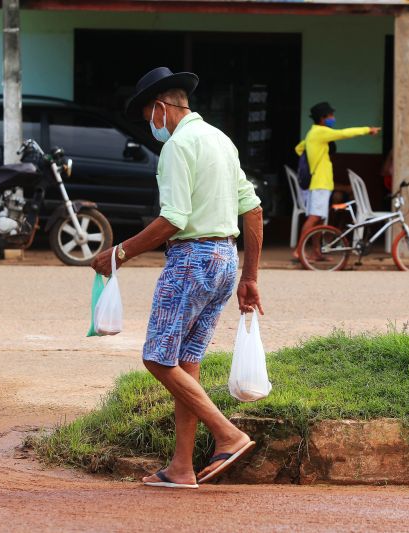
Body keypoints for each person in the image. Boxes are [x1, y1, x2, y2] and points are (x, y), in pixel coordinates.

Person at [91, 67, 264, 489]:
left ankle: (228, 434)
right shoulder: (221, 140)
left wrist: (120, 252)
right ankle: (181, 468)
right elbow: (254, 211)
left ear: (161, 108)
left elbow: (173, 218)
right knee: (187, 363)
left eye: (148, 114)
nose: (150, 124)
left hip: (191, 259)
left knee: (156, 357)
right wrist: (250, 277)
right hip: (225, 258)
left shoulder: (178, 146)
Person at [293, 101, 380, 260]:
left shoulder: (313, 134)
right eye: (331, 115)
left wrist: (312, 156)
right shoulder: (320, 132)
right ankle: (299, 250)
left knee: (318, 220)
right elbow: (344, 133)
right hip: (319, 183)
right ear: (322, 118)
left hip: (321, 183)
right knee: (314, 218)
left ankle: (316, 252)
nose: (333, 118)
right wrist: (368, 130)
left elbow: (299, 148)